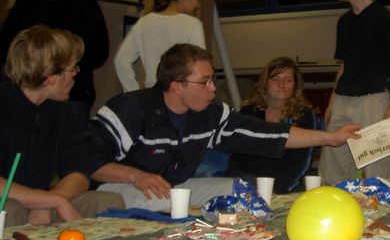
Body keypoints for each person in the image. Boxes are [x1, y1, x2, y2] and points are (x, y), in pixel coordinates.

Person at [84, 44, 360, 210]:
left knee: (244, 192)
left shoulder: (209, 115)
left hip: (175, 187)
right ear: (177, 86)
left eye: (213, 80)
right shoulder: (131, 108)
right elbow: (84, 160)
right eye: (204, 82)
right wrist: (135, 176)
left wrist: (330, 138)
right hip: (121, 188)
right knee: (172, 202)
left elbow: (266, 134)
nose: (213, 89)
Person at [0, 25, 124, 226]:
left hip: (44, 202)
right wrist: (49, 200)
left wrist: (50, 200)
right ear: (51, 78)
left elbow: (79, 172)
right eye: (73, 68)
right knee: (9, 209)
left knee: (107, 202)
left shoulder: (63, 113)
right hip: (9, 203)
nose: (75, 75)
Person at [0, 0, 109, 127]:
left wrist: (64, 63)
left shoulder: (86, 5)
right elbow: (7, 48)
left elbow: (99, 53)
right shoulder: (27, 2)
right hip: (29, 96)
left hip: (72, 98)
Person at [319, 0, 390, 184]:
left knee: (376, 171)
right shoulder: (344, 22)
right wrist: (332, 103)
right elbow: (344, 64)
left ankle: (379, 207)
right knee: (332, 169)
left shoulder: (384, 19)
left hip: (373, 102)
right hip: (343, 100)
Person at [227, 56, 318, 193]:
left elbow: (302, 163)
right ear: (265, 83)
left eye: (288, 80)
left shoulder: (305, 116)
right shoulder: (248, 112)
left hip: (288, 186)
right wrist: (237, 185)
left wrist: (278, 191)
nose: (281, 85)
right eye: (275, 79)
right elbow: (236, 158)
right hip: (248, 183)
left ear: (295, 85)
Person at [114, 0, 206, 92]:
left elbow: (121, 61)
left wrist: (133, 93)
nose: (199, 5)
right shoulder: (192, 24)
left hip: (152, 94)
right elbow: (201, 65)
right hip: (181, 94)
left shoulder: (144, 22)